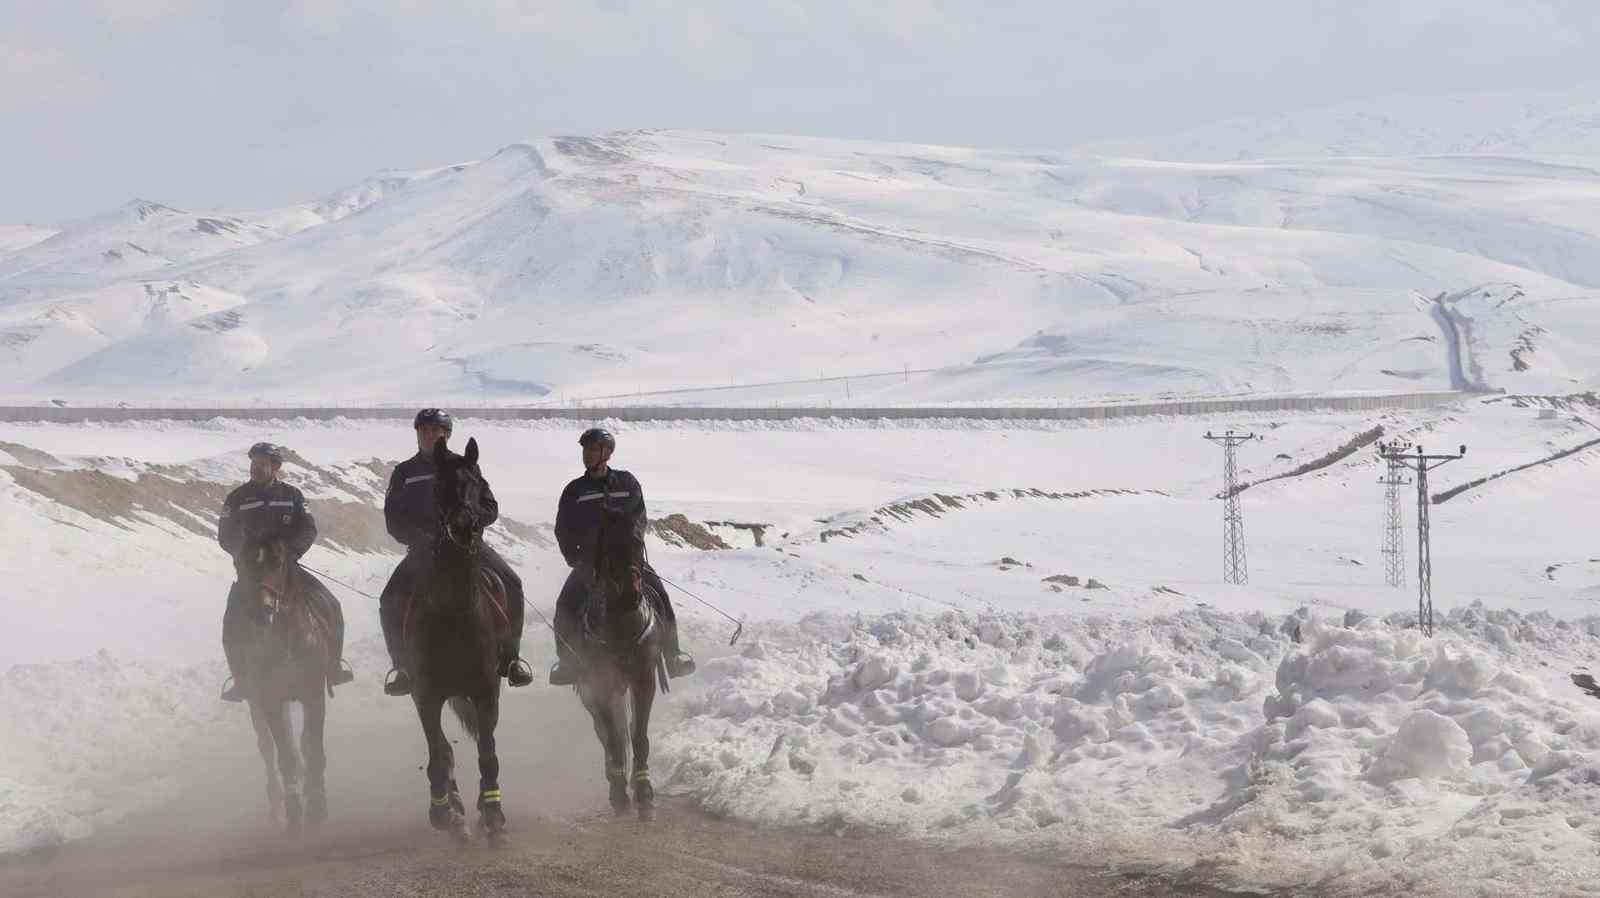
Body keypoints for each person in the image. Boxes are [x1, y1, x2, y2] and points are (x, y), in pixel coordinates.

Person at [379, 409, 533, 696]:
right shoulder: (404, 473)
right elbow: (393, 519)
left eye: (435, 430)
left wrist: (471, 522)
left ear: (446, 434)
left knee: (513, 583)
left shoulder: (466, 466)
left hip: (468, 546)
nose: (429, 434)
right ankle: (401, 666)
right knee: (389, 598)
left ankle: (511, 658)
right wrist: (418, 537)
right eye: (423, 430)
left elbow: (490, 506)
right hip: (424, 551)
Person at [548, 427, 695, 686]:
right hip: (590, 563)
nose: (587, 454)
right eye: (585, 449)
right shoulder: (575, 490)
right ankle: (567, 663)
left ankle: (674, 656)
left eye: (592, 449)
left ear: (606, 453)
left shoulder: (627, 483)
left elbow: (640, 517)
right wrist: (576, 560)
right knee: (565, 605)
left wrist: (633, 546)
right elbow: (563, 529)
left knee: (661, 596)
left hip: (628, 559)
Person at [218, 442, 354, 702]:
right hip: (251, 574)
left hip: (287, 569)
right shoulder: (236, 498)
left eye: (262, 463)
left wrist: (291, 553)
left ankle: (333, 667)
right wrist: (246, 554)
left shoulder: (293, 495)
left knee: (332, 605)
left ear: (276, 467)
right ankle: (241, 681)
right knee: (230, 624)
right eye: (253, 463)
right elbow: (225, 535)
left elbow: (308, 528)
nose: (255, 468)